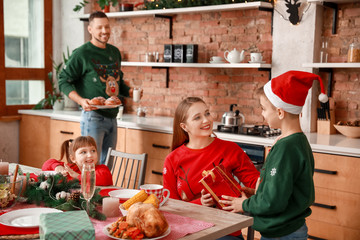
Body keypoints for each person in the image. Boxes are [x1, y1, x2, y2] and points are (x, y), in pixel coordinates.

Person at [219, 71, 329, 240]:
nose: (262, 113)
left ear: (279, 112)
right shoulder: (297, 141)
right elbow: (283, 189)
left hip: (282, 234)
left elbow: (273, 202)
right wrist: (257, 193)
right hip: (290, 229)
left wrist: (244, 204)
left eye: (263, 109)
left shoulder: (286, 148)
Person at [163, 97, 260, 240]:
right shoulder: (172, 159)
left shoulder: (230, 149)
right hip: (187, 232)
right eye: (197, 117)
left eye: (207, 113)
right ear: (184, 126)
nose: (206, 120)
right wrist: (200, 203)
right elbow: (171, 207)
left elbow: (258, 184)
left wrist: (248, 200)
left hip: (225, 232)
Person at [58, 11, 142, 164]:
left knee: (107, 166)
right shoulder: (82, 53)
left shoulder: (114, 52)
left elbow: (118, 82)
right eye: (99, 28)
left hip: (113, 117)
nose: (104, 31)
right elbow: (63, 80)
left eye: (107, 27)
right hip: (93, 117)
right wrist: (82, 101)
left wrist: (130, 92)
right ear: (90, 29)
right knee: (91, 165)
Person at [42, 136, 113, 186]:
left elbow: (104, 178)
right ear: (73, 159)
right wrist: (57, 167)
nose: (90, 155)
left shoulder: (102, 169)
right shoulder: (72, 168)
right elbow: (47, 164)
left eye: (93, 151)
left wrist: (77, 176)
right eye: (84, 152)